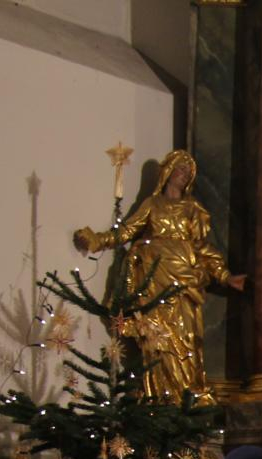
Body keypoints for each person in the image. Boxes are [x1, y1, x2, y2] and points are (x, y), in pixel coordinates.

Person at [74, 149, 246, 404]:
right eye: (180, 168)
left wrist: (224, 275)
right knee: (156, 340)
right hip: (154, 279)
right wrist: (97, 240)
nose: (183, 174)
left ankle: (186, 395)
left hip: (184, 280)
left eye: (188, 172)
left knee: (186, 340)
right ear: (167, 171)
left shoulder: (193, 208)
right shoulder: (152, 205)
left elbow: (202, 247)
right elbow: (126, 231)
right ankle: (158, 398)